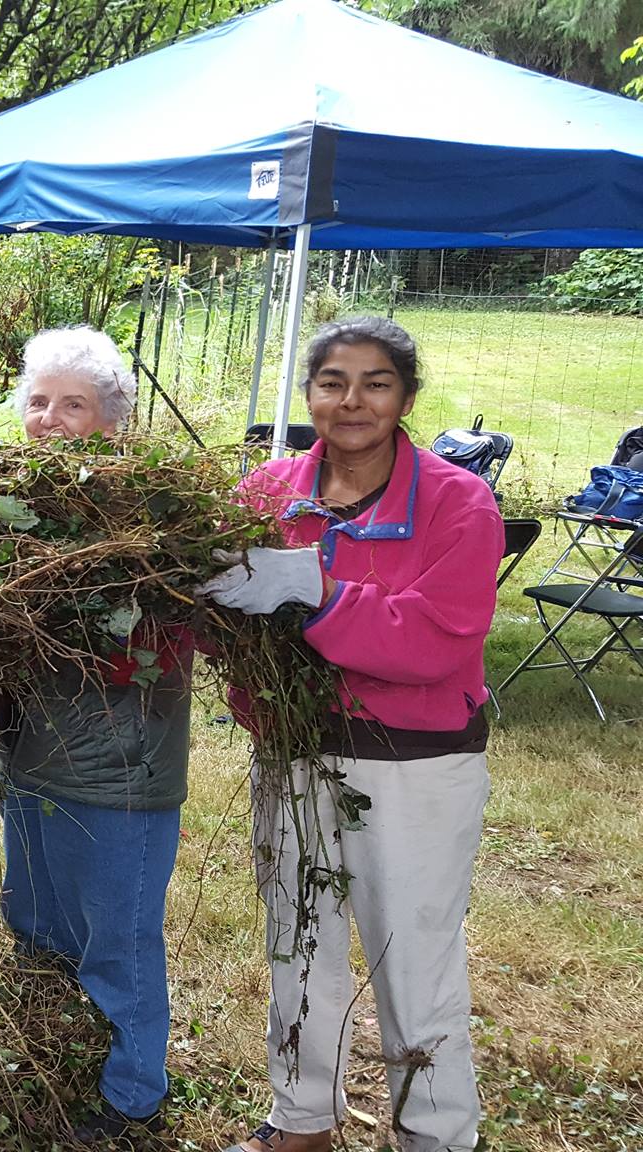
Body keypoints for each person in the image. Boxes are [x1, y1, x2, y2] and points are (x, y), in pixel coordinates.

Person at [199, 316, 502, 1152]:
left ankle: (436, 1135)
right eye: (333, 382)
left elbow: (442, 637)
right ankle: (301, 1120)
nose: (353, 400)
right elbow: (225, 618)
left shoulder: (455, 500)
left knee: (413, 957)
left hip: (413, 766)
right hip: (293, 753)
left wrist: (323, 595)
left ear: (406, 396)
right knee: (299, 942)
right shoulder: (266, 492)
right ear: (310, 395)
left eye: (376, 383)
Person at [0, 327, 190, 1144]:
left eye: (73, 404)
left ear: (114, 419)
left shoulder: (156, 518)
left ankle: (133, 1096)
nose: (49, 418)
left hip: (120, 772)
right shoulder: (7, 509)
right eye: (37, 401)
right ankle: (48, 1052)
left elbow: (158, 648)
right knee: (33, 917)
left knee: (121, 940)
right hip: (28, 757)